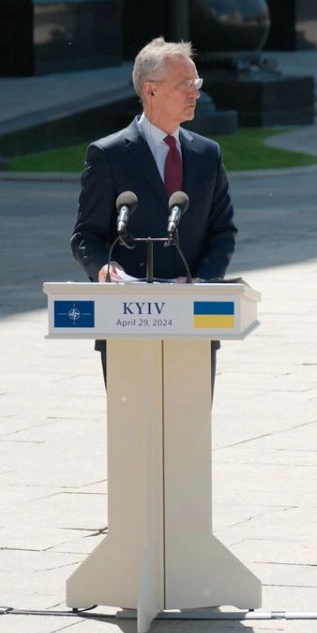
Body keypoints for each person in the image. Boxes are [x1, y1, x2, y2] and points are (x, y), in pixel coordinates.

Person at [70, 37, 237, 384]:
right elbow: (86, 236)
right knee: (133, 417)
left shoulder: (208, 154)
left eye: (196, 82)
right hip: (127, 320)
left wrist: (201, 281)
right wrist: (104, 269)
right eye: (184, 84)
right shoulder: (108, 155)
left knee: (189, 417)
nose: (196, 93)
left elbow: (222, 231)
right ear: (151, 90)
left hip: (194, 320)